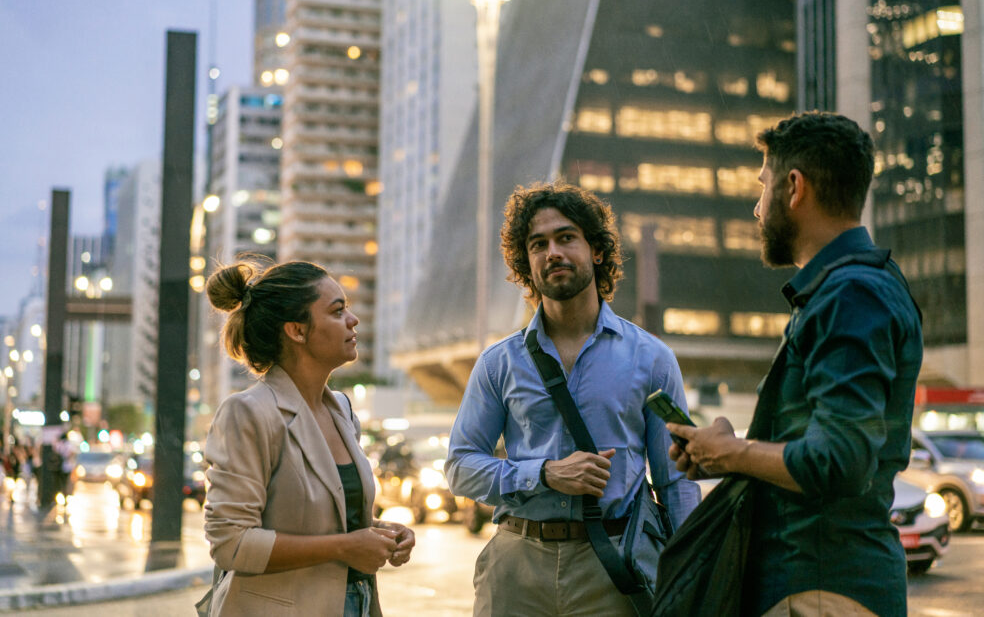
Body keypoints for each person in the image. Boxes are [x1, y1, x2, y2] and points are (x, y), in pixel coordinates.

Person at [667, 112, 923, 617]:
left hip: (821, 591)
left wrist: (734, 454)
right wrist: (725, 449)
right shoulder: (853, 287)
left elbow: (839, 460)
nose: (757, 208)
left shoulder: (851, 295)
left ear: (794, 187)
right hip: (822, 585)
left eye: (763, 187)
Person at [445, 181, 701, 616]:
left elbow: (675, 480)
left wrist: (694, 575)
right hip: (516, 564)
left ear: (596, 250)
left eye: (566, 238)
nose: (553, 253)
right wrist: (543, 473)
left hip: (614, 567)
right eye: (538, 244)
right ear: (526, 262)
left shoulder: (652, 358)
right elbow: (459, 467)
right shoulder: (498, 363)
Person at [202, 258, 415, 617]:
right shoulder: (250, 412)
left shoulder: (342, 411)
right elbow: (231, 544)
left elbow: (327, 522)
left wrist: (380, 533)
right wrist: (344, 546)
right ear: (297, 331)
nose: (353, 320)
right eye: (337, 311)